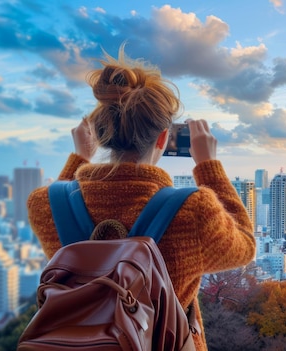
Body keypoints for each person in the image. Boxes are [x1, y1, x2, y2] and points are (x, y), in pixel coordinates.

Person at [27, 45, 256, 350]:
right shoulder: (193, 211)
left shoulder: (43, 205)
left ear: (100, 132)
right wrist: (208, 166)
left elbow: (56, 200)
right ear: (163, 138)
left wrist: (79, 158)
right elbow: (245, 245)